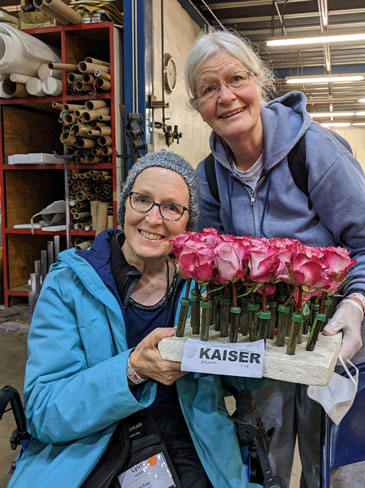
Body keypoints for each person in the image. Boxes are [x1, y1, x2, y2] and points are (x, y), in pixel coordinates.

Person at [6, 151, 265, 488]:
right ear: (124, 205)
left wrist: (259, 333)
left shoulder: (202, 286)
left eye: (172, 207)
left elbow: (241, 380)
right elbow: (43, 413)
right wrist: (131, 370)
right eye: (142, 200)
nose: (154, 219)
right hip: (92, 451)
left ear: (189, 225)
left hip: (192, 445)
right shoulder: (69, 285)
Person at [185, 28, 365, 488]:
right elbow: (211, 257)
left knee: (333, 466)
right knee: (266, 458)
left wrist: (355, 305)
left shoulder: (314, 151)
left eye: (236, 79)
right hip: (262, 343)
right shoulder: (209, 175)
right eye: (208, 89)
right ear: (198, 105)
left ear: (259, 82)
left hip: (331, 334)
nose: (226, 97)